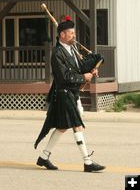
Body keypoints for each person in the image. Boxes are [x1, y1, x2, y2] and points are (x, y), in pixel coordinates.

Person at [34, 16, 105, 172]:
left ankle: (44, 157)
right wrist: (83, 77)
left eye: (74, 32)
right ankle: (87, 162)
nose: (74, 35)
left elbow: (81, 66)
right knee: (76, 125)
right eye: (71, 33)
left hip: (71, 94)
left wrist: (95, 62)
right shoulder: (57, 53)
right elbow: (64, 77)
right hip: (63, 94)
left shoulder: (71, 49)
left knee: (61, 127)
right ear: (62, 35)